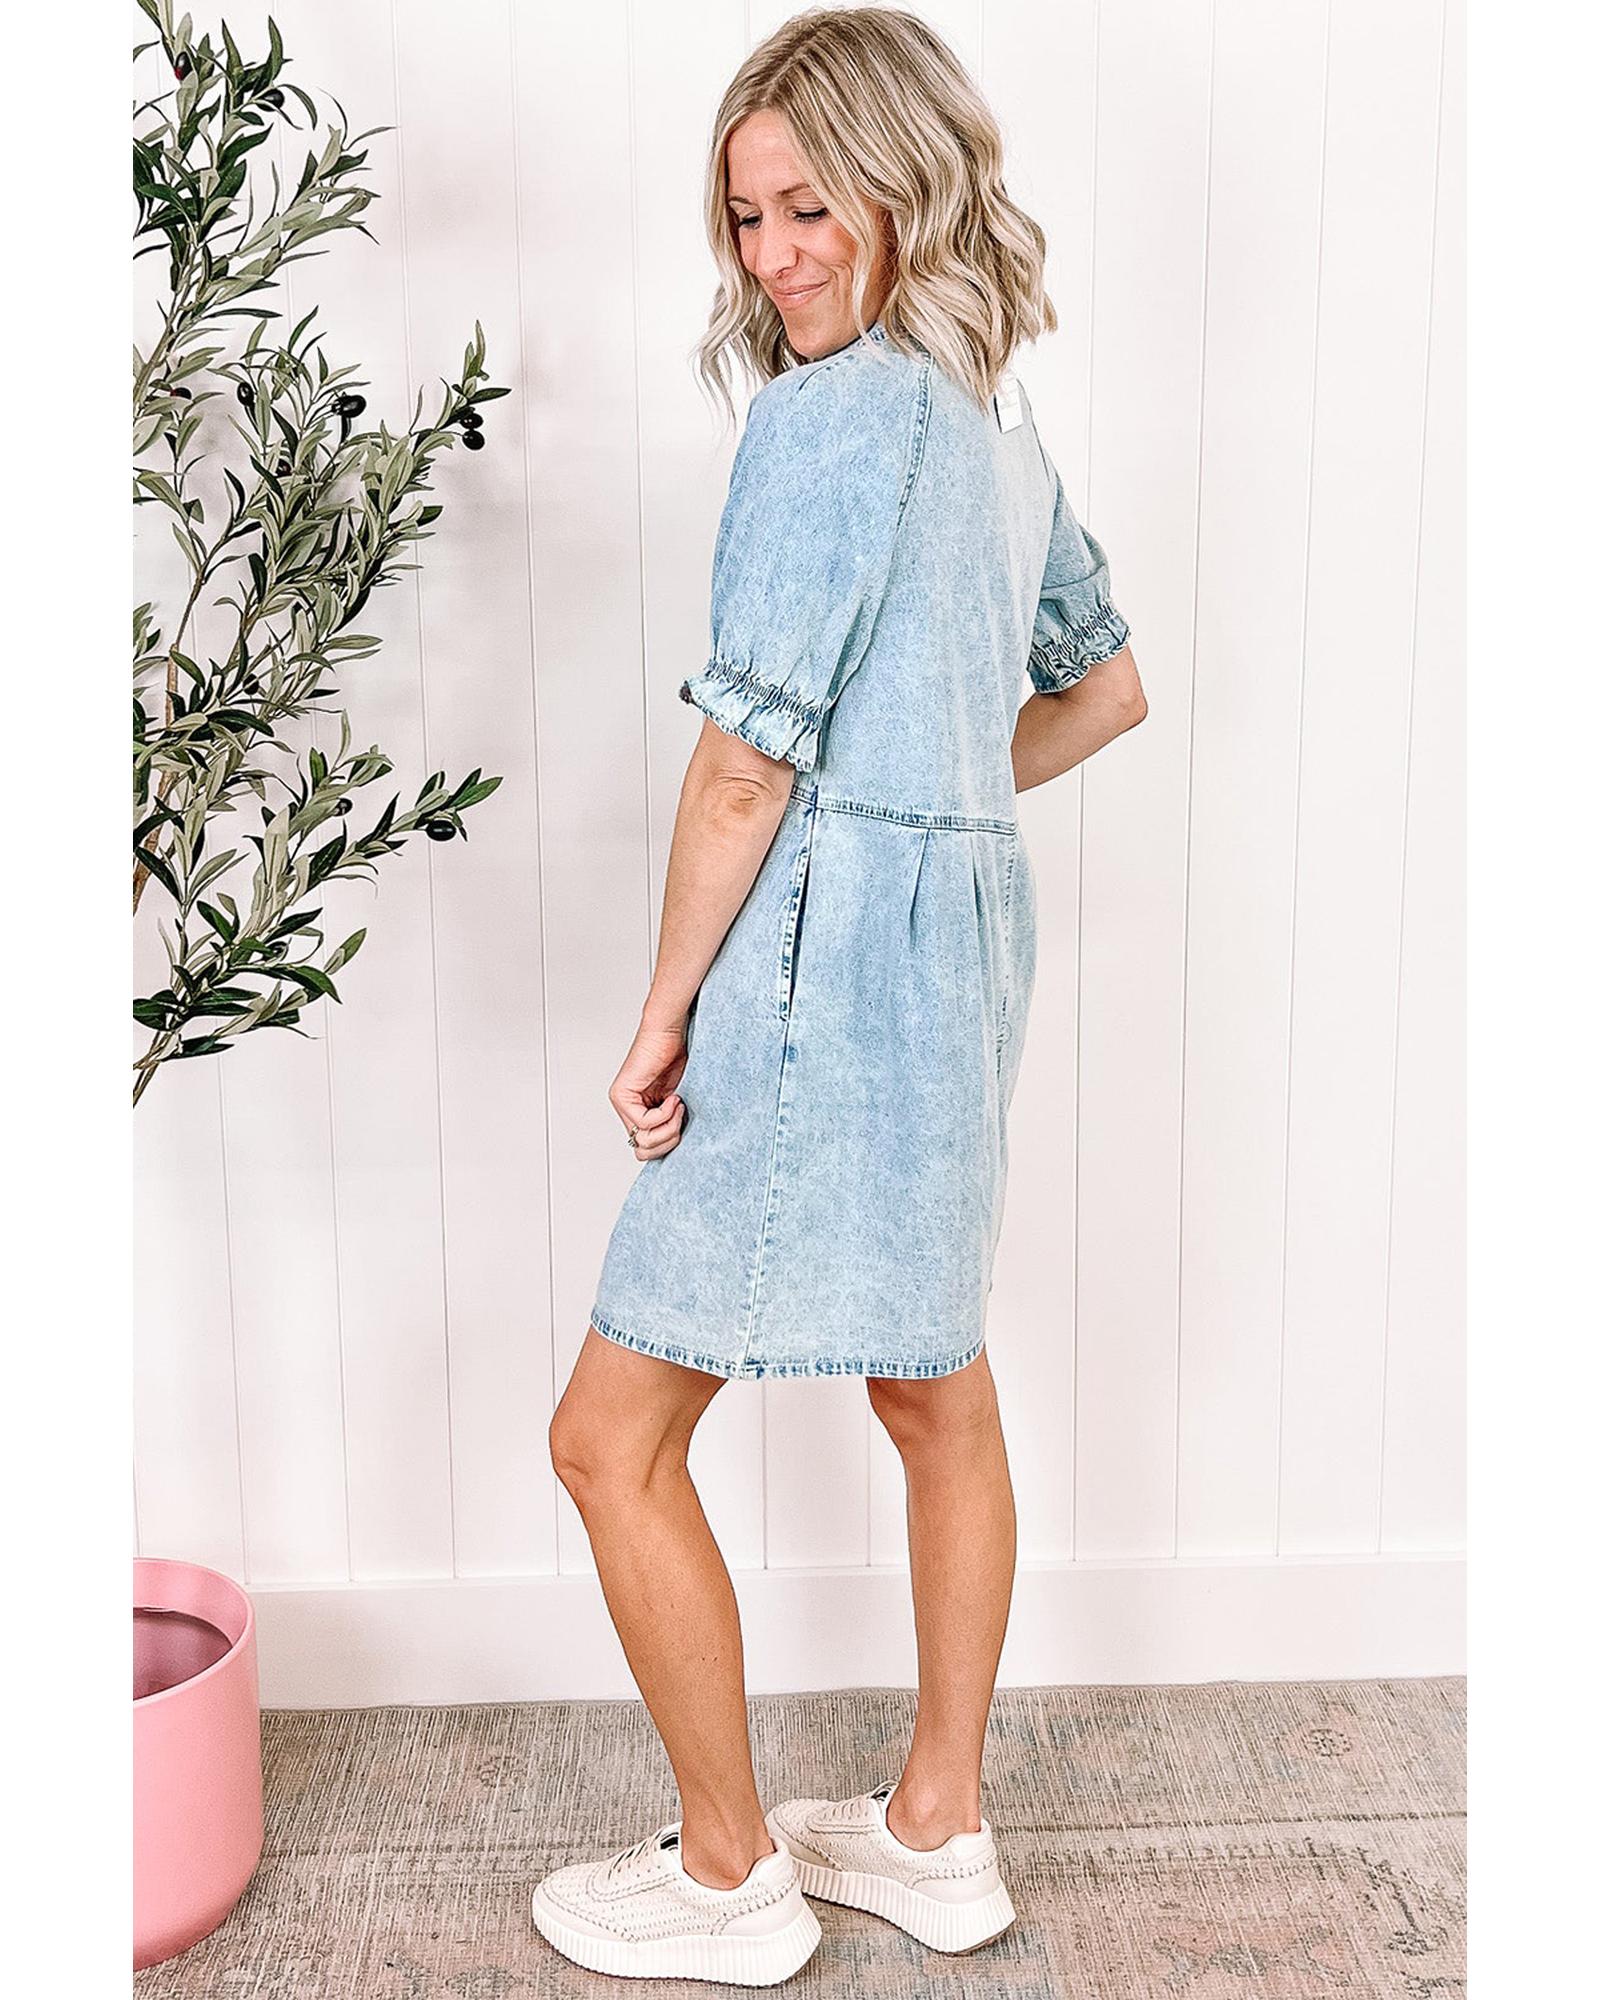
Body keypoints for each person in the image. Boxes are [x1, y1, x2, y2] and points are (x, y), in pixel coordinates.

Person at [530, 6, 1146, 1985]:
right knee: (934, 1385)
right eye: (746, 217)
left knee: (607, 1437)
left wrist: (661, 1012)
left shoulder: (825, 424)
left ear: (909, 184)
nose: (775, 254)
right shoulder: (993, 421)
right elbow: (1104, 688)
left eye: (811, 206)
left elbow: (743, 768)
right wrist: (937, 798)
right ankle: (936, 1829)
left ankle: (727, 1875)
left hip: (808, 975)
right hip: (957, 973)